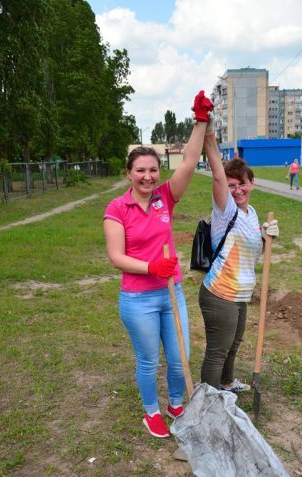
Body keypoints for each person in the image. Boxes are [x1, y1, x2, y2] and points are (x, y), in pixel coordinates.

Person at [103, 91, 213, 439]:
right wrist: (151, 268)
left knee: (181, 355)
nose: (148, 177)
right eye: (141, 171)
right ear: (129, 174)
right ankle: (151, 411)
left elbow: (190, 160)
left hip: (171, 293)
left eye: (153, 170)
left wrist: (200, 121)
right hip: (139, 299)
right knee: (149, 359)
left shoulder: (166, 196)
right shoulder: (117, 209)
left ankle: (176, 403)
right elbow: (116, 256)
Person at [199, 127, 279, 393]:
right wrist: (209, 135)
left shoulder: (252, 212)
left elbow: (252, 250)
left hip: (241, 293)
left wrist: (267, 237)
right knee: (217, 350)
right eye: (231, 185)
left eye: (242, 183)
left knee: (233, 343)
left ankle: (226, 382)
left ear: (252, 183)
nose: (237, 190)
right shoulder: (226, 209)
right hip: (220, 293)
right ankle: (209, 400)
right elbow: (217, 173)